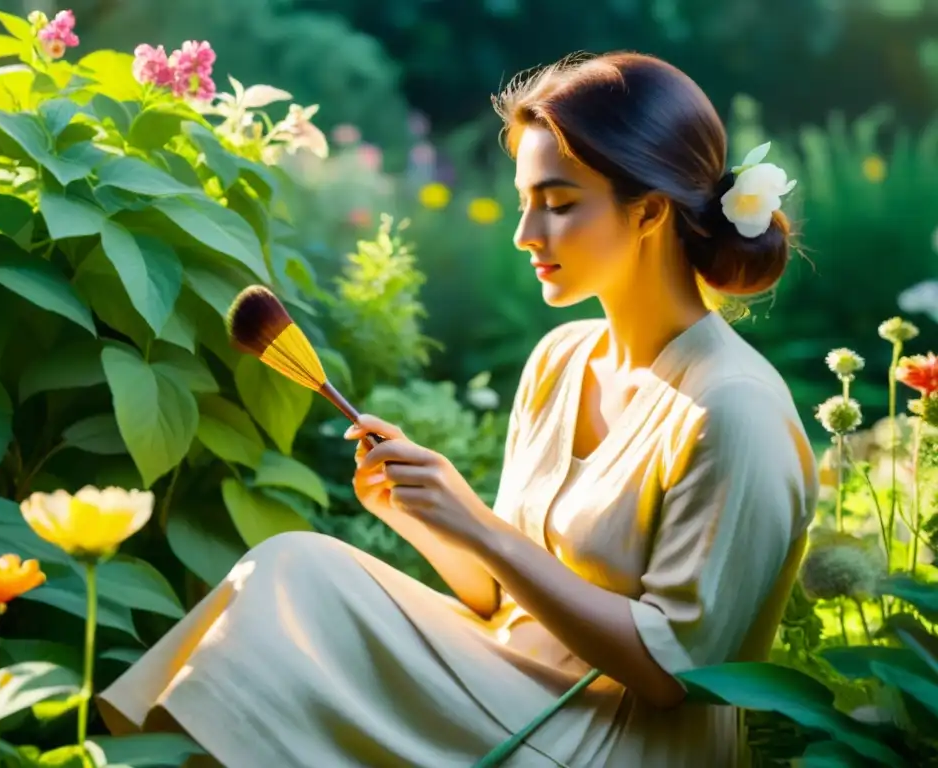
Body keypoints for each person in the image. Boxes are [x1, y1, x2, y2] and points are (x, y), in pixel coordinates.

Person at [97, 51, 818, 767]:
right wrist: (422, 509)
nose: (526, 234)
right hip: (505, 684)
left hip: (612, 740)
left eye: (559, 204)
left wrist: (479, 524)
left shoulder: (733, 410)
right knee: (284, 580)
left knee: (299, 575)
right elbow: (497, 599)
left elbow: (677, 673)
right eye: (524, 202)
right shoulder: (561, 360)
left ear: (652, 212)